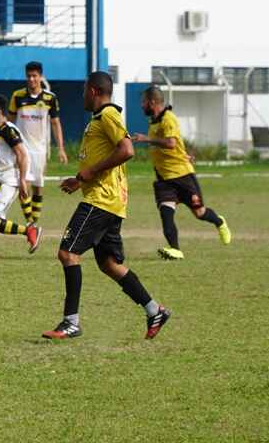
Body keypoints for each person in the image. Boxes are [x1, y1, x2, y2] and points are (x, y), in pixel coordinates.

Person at [43, 72, 171, 341]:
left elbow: (127, 149)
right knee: (110, 264)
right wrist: (80, 180)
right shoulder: (100, 118)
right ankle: (154, 310)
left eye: (83, 91)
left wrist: (89, 173)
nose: (81, 97)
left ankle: (71, 322)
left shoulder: (108, 115)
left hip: (100, 201)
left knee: (68, 254)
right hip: (110, 201)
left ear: (92, 91)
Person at [131, 86, 232, 260]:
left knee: (200, 213)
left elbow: (170, 143)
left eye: (143, 102)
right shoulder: (155, 121)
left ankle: (219, 221)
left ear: (152, 102)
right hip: (164, 179)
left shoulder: (168, 119)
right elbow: (175, 145)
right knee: (166, 212)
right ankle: (176, 250)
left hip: (182, 176)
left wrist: (146, 139)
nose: (141, 106)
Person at [0, 95, 42, 259]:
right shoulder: (2, 131)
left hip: (4, 179)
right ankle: (29, 231)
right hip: (5, 180)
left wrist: (23, 180)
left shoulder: (7, 130)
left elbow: (22, 154)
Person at [8, 62, 67, 225]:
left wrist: (61, 148)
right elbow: (10, 123)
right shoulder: (17, 96)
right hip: (22, 149)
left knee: (38, 187)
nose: (31, 79)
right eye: (29, 76)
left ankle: (35, 220)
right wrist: (7, 144)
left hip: (40, 150)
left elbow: (56, 123)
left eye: (34, 76)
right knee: (24, 184)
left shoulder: (50, 98)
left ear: (40, 77)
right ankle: (31, 224)